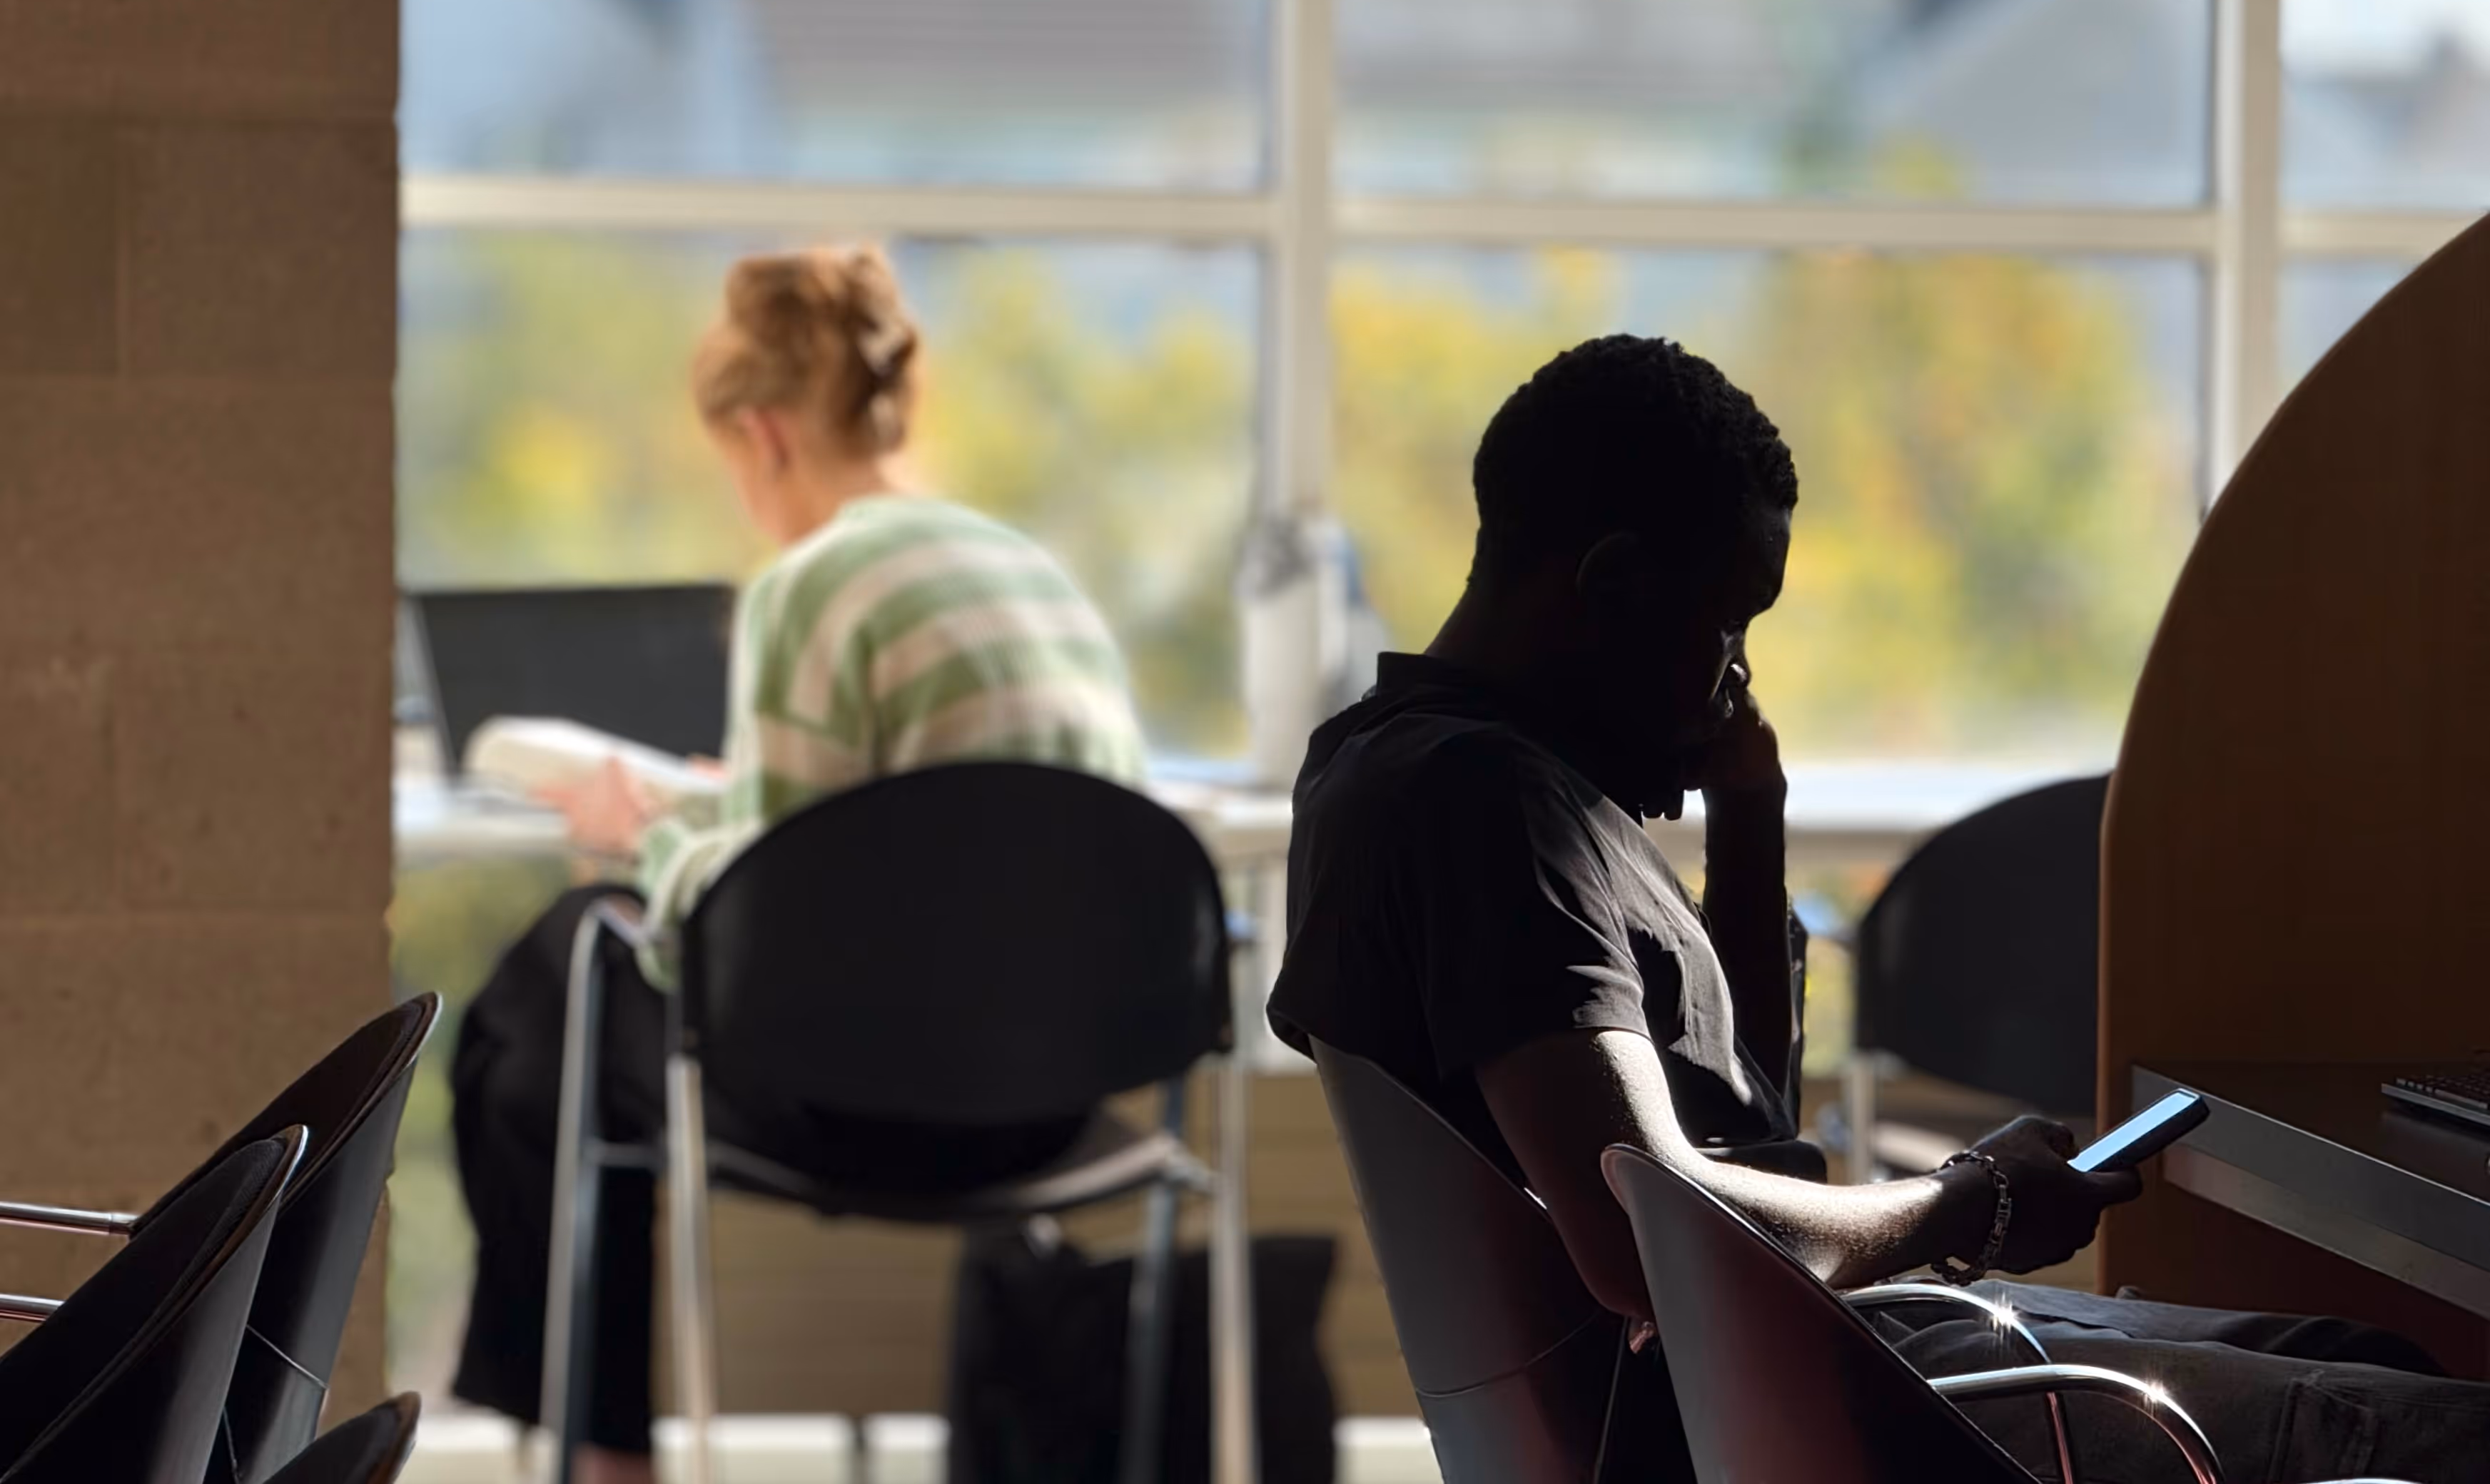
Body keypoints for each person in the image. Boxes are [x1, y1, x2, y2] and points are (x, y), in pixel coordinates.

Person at [1270, 334, 2490, 1482]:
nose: (1736, 674)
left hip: (1767, 1372)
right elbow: (1652, 1231)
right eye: (1727, 621)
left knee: (2372, 1360)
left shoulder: (1391, 766)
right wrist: (1978, 1202)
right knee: (2436, 1429)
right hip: (1779, 1395)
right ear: (1617, 586)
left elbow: (1735, 1119)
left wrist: (1752, 819)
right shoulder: (1494, 810)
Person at [450, 246, 1149, 1484]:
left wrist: (644, 833)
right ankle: (598, 1450)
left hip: (877, 1098)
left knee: (554, 986)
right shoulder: (1034, 575)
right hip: (1067, 1096)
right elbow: (932, 840)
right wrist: (736, 816)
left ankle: (599, 1452)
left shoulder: (809, 582)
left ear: (762, 435)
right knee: (569, 1003)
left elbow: (747, 939)